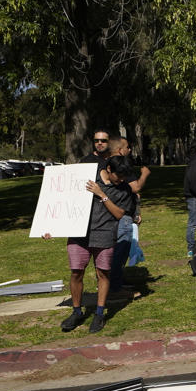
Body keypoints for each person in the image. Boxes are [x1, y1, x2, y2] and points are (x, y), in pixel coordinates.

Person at [54, 157, 138, 333]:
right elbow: (63, 199)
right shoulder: (88, 179)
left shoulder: (124, 190)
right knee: (76, 272)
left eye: (124, 176)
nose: (122, 179)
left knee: (102, 273)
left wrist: (102, 194)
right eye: (119, 175)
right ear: (108, 169)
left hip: (105, 235)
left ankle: (99, 314)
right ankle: (77, 312)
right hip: (79, 235)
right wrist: (51, 227)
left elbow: (119, 214)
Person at [106, 137, 149, 293]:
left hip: (123, 214)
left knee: (118, 252)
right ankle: (114, 286)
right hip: (120, 215)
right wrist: (144, 174)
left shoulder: (107, 166)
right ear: (120, 150)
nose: (129, 150)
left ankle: (114, 282)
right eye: (127, 147)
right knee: (120, 251)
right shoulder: (120, 166)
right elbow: (134, 187)